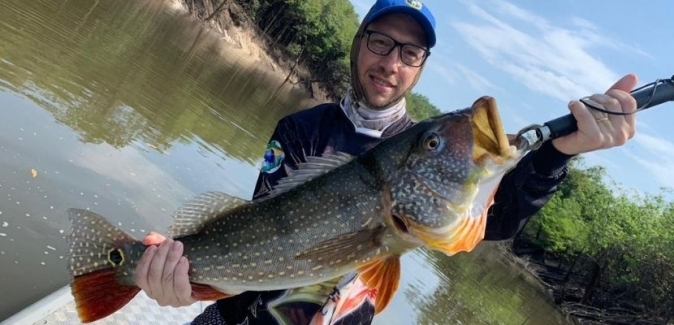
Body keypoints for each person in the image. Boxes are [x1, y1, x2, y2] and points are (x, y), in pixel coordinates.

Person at [133, 0, 638, 324]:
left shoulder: (412, 147)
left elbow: (495, 219)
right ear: (359, 45)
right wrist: (185, 280)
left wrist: (555, 153)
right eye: (380, 43)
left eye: (410, 53)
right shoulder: (301, 131)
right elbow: (261, 237)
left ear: (421, 68)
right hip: (244, 315)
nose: (390, 63)